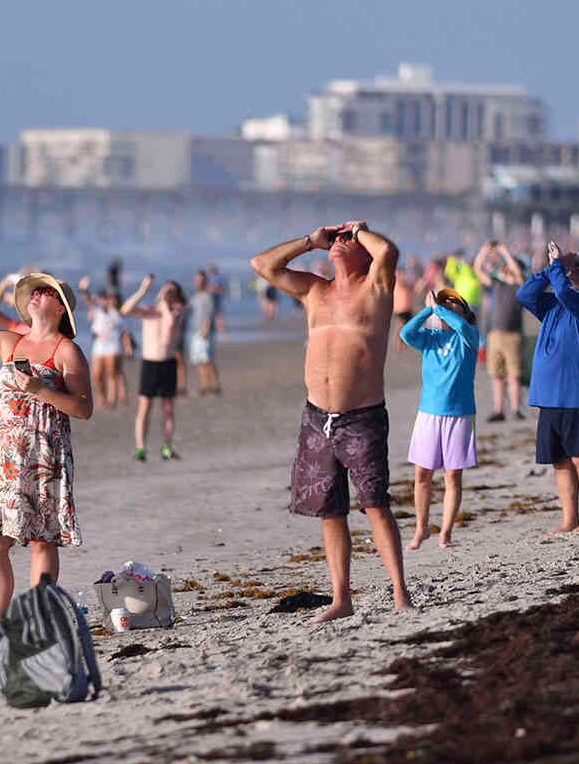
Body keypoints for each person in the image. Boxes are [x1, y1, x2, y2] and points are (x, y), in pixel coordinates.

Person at [250, 220, 414, 622]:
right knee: (331, 511)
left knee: (375, 505)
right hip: (316, 418)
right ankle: (342, 598)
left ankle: (400, 592)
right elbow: (262, 265)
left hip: (362, 417)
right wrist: (309, 241)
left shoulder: (375, 288)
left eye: (348, 240)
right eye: (337, 239)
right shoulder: (314, 290)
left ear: (363, 249)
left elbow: (389, 252)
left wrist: (359, 231)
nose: (340, 243)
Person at [0, 260, 94, 647]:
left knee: (43, 539)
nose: (37, 294)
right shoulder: (10, 342)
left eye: (46, 292)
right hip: (1, 449)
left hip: (44, 449)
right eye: (35, 291)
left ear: (60, 308)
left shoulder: (68, 352)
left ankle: (40, 622)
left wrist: (40, 390)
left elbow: (84, 408)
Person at [517, 243, 579, 534]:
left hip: (578, 395)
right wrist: (550, 268)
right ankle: (569, 519)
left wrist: (559, 264)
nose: (578, 271)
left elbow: (567, 292)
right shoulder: (555, 306)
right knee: (559, 461)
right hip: (549, 395)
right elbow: (525, 294)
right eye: (577, 267)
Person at [399, 288, 481, 550]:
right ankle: (422, 527)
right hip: (428, 413)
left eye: (453, 302)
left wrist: (439, 308)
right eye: (444, 301)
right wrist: (428, 310)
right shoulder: (430, 338)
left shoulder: (469, 337)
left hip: (459, 414)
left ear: (465, 311)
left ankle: (446, 532)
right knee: (422, 474)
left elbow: (461, 324)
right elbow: (406, 333)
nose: (447, 305)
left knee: (452, 476)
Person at [121, 275, 186, 461]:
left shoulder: (176, 311)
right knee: (144, 407)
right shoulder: (150, 311)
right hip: (149, 363)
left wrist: (166, 302)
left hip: (168, 362)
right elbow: (125, 310)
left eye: (172, 291)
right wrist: (143, 290)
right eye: (166, 289)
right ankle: (140, 447)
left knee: (168, 408)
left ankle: (167, 446)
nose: (167, 293)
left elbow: (170, 325)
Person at [473, 241, 526, 422]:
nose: (506, 268)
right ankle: (499, 409)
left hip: (513, 335)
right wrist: (484, 251)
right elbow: (478, 269)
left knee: (514, 374)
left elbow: (518, 274)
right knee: (497, 374)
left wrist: (505, 252)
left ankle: (516, 408)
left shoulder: (520, 285)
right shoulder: (497, 283)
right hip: (495, 333)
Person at [78, 276, 127, 410]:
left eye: (110, 299)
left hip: (113, 345)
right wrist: (83, 290)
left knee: (112, 373)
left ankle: (112, 399)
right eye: (106, 298)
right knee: (97, 375)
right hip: (99, 346)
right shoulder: (97, 310)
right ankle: (102, 397)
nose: (108, 301)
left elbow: (124, 332)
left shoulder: (117, 312)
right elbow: (88, 301)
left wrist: (128, 346)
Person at [188, 270, 221, 395]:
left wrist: (206, 328)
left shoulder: (208, 295)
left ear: (205, 280)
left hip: (206, 332)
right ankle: (205, 385)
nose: (198, 282)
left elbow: (211, 313)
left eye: (200, 279)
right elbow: (188, 309)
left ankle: (215, 385)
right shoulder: (195, 296)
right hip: (195, 331)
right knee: (199, 360)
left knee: (208, 360)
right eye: (196, 279)